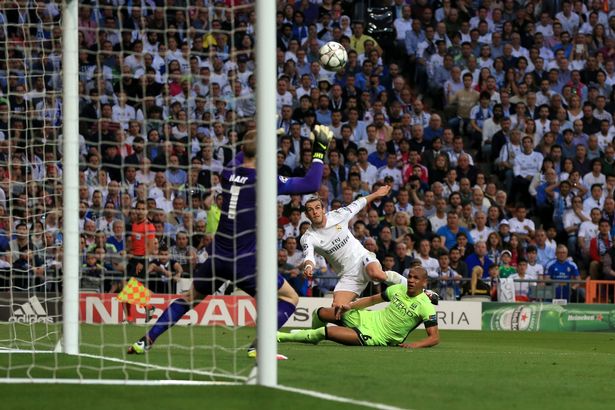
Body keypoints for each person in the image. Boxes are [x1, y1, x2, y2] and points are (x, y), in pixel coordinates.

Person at [128, 126, 333, 355]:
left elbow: (246, 150)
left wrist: (264, 133)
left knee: (188, 298)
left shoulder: (227, 172)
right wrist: (319, 149)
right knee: (288, 297)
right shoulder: (264, 180)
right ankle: (259, 347)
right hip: (244, 260)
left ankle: (146, 340)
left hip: (217, 256)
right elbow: (312, 184)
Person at [301, 185, 407, 311]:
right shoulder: (308, 237)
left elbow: (358, 204)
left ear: (323, 209)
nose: (315, 212)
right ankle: (311, 330)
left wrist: (376, 194)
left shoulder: (338, 215)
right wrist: (308, 267)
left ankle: (419, 290)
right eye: (310, 210)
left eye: (317, 208)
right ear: (307, 215)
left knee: (376, 274)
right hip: (348, 275)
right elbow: (309, 256)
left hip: (362, 258)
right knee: (337, 309)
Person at [277, 267, 439, 349]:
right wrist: (349, 306)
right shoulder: (398, 289)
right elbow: (372, 300)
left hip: (377, 336)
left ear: (424, 282)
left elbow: (434, 337)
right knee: (320, 313)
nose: (411, 280)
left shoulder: (426, 305)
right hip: (368, 317)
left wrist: (414, 345)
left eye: (415, 278)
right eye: (409, 276)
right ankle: (309, 337)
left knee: (325, 332)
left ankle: (279, 337)